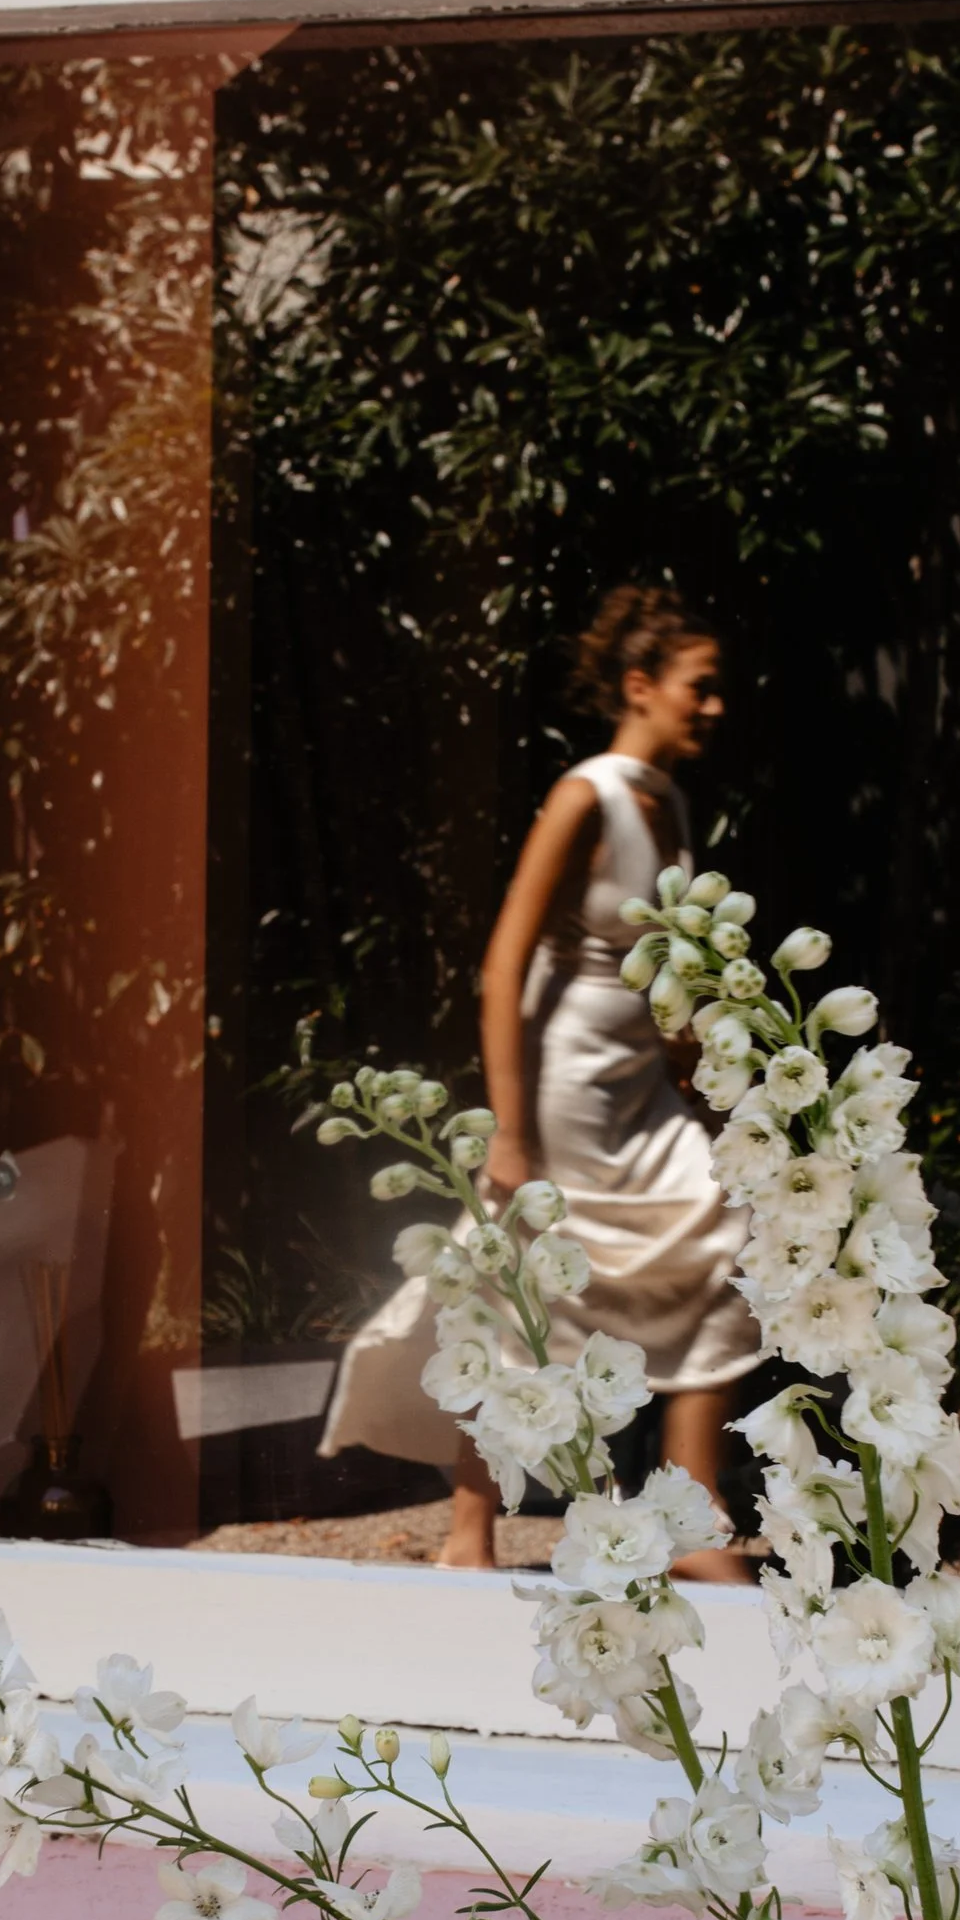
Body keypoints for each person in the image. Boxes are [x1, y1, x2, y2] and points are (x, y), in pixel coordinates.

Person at [321, 585, 760, 1572]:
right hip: (565, 1086)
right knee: (529, 1285)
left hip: (639, 1080)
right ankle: (469, 1527)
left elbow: (654, 960)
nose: (714, 705)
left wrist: (690, 1055)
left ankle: (690, 1509)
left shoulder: (668, 801)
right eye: (698, 686)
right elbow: (504, 962)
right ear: (640, 686)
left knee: (725, 1226)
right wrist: (510, 1134)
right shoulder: (585, 796)